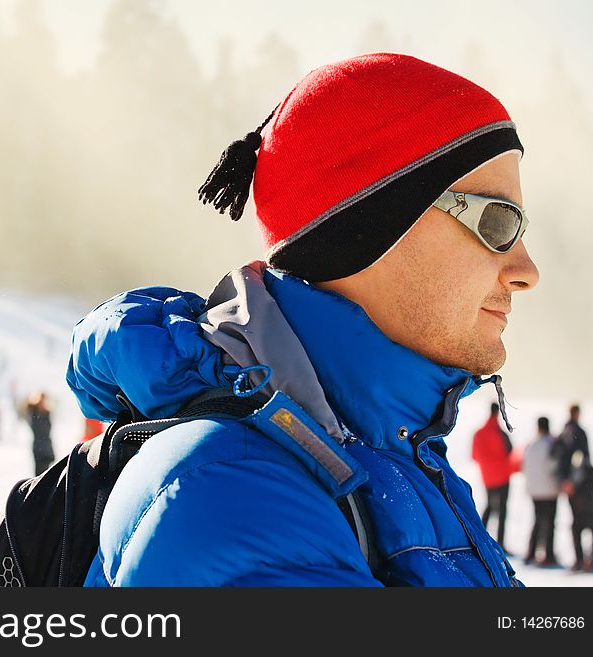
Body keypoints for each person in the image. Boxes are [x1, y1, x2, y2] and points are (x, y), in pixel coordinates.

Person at [66, 53, 539, 587]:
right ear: (374, 226)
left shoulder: (399, 456)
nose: (527, 271)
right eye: (499, 221)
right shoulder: (234, 496)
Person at [557, 404, 593, 572]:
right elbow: (579, 459)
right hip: (582, 486)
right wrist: (574, 481)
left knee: (577, 523)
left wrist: (564, 481)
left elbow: (557, 460)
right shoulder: (576, 432)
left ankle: (579, 559)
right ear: (577, 413)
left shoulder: (563, 433)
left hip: (571, 487)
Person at [471, 403, 516, 552]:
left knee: (489, 506)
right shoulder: (499, 433)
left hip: (488, 477)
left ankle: (479, 538)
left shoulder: (479, 433)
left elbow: (474, 456)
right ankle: (501, 543)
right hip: (502, 476)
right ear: (498, 413)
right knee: (502, 510)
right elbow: (509, 452)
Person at [521, 417, 562, 566]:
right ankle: (548, 554)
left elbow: (524, 465)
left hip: (534, 490)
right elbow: (553, 465)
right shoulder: (551, 443)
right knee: (549, 524)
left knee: (537, 522)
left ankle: (531, 552)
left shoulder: (531, 444)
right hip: (549, 490)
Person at [24, 391, 54, 476]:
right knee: (38, 474)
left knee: (47, 474)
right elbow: (37, 428)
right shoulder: (34, 412)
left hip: (47, 446)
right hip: (38, 447)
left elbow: (48, 432)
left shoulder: (47, 413)